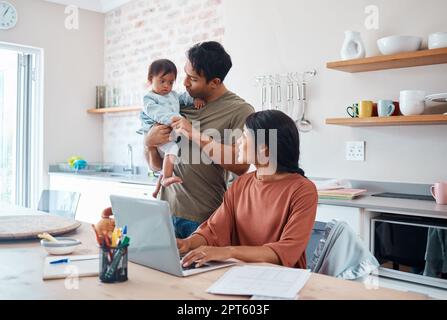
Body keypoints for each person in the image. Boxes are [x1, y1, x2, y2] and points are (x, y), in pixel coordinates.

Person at [177, 110, 318, 269]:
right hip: (239, 275)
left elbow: (286, 251)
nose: (238, 142)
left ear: (263, 149)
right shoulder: (241, 184)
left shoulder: (303, 190)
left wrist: (228, 252)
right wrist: (187, 243)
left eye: (244, 136)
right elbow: (213, 230)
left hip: (282, 280)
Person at [144, 42, 254, 239]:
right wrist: (149, 144)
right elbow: (155, 166)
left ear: (214, 82)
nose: (184, 83)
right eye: (185, 74)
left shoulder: (240, 110)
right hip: (165, 212)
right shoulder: (178, 103)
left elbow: (240, 165)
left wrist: (193, 133)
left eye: (192, 78)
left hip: (205, 218)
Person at [137, 59, 205, 198]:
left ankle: (159, 187)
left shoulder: (172, 95)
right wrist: (174, 120)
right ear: (151, 79)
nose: (166, 86)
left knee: (171, 155)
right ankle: (166, 177)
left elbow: (184, 97)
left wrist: (195, 100)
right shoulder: (148, 98)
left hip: (169, 130)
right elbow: (155, 112)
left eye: (170, 82)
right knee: (172, 149)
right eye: (162, 81)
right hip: (157, 129)